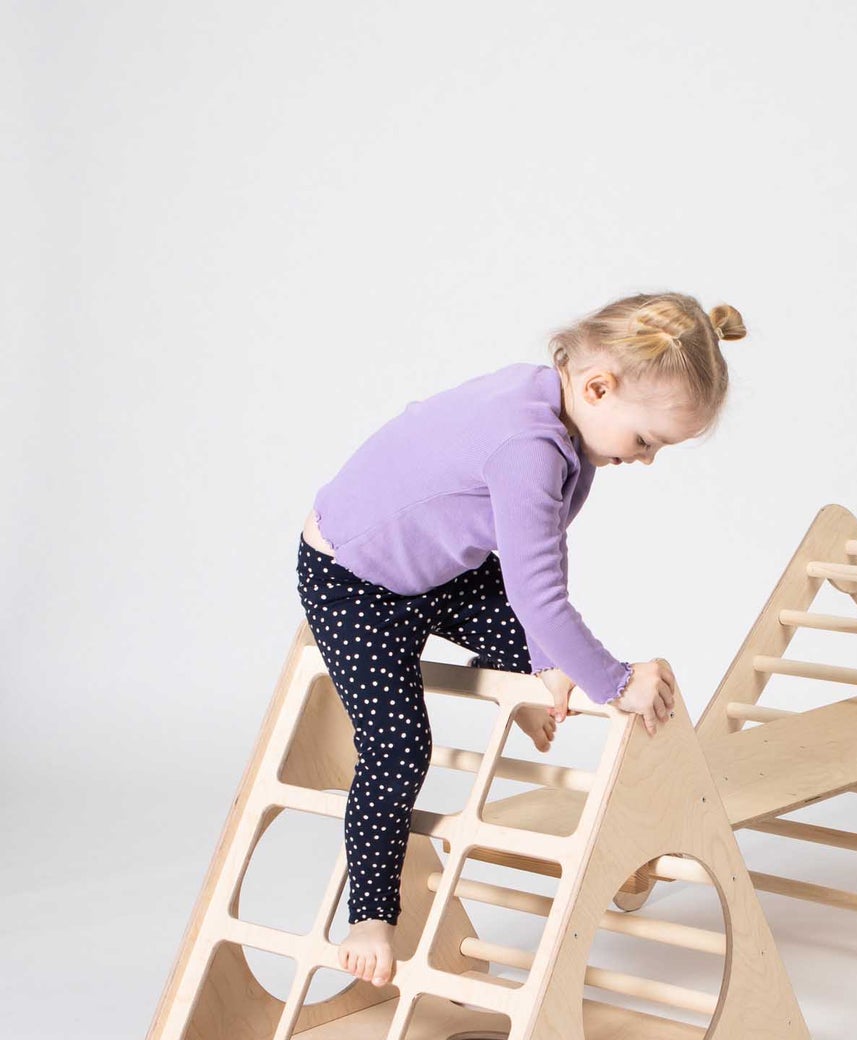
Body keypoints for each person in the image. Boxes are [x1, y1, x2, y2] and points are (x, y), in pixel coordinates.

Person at [295, 290, 746, 986]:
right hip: (355, 580)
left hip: (440, 567)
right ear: (599, 388)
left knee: (543, 637)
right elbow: (538, 595)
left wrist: (546, 662)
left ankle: (533, 673)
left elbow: (538, 559)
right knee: (397, 745)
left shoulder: (568, 428)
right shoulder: (528, 446)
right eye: (647, 442)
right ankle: (370, 915)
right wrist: (616, 682)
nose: (647, 460)